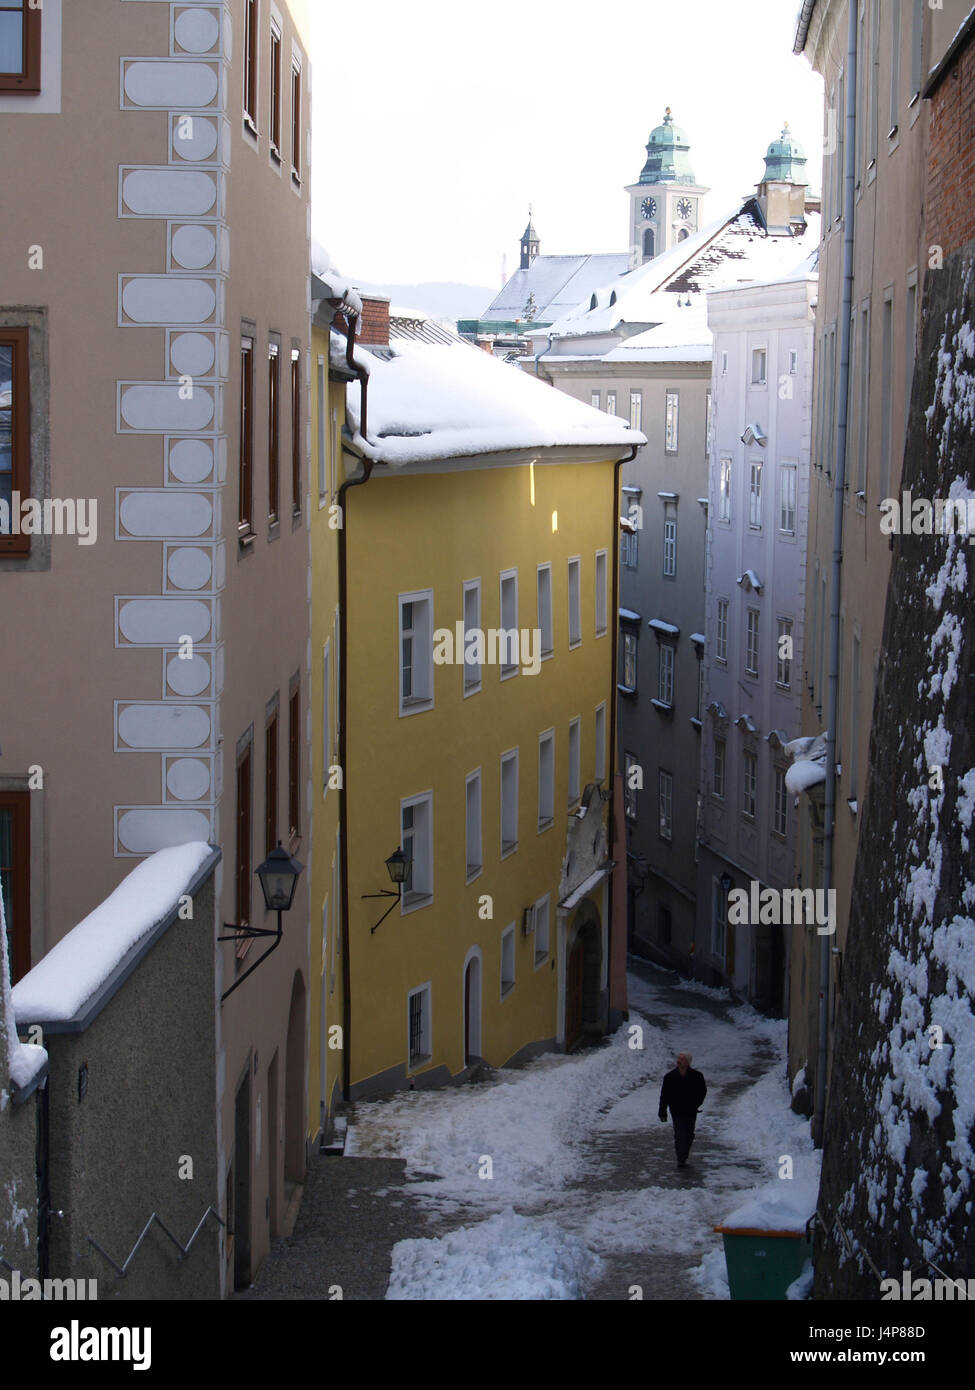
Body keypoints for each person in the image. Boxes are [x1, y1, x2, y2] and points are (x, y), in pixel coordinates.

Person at [658, 1051, 707, 1168]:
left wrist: (696, 1103)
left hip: (690, 1110)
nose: (679, 1061)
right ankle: (681, 1157)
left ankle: (684, 1154)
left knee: (689, 1134)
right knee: (679, 1134)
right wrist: (662, 1111)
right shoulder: (670, 1077)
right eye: (679, 1058)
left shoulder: (697, 1076)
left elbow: (702, 1091)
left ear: (688, 1062)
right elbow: (664, 1095)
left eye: (682, 1059)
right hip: (677, 1111)